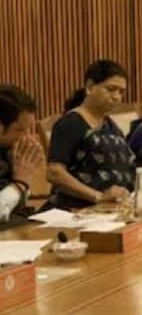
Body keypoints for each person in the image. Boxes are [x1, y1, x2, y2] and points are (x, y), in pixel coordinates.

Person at [45, 60, 135, 209]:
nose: (116, 97)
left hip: (109, 209)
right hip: (72, 211)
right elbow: (54, 173)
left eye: (121, 92)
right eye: (111, 89)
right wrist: (97, 196)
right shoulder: (71, 123)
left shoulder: (112, 127)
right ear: (89, 87)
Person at [0, 85, 43, 219]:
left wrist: (17, 171)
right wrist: (20, 182)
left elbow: (17, 205)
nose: (25, 137)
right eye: (19, 130)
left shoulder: (6, 150)